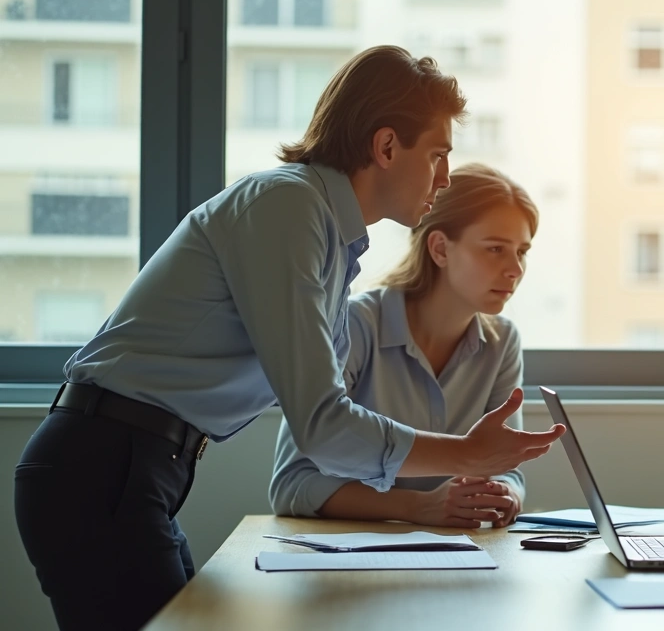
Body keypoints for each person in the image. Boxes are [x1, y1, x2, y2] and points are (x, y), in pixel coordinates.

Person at [13, 46, 564, 631]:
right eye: (436, 155)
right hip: (102, 465)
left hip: (140, 466)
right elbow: (324, 427)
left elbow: (324, 422)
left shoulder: (330, 238)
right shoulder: (288, 207)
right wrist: (464, 454)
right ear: (384, 147)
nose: (446, 178)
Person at [270, 163, 537, 528]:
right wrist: (419, 506)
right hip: (352, 562)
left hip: (458, 557)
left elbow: (508, 473)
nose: (516, 269)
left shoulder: (502, 341)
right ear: (440, 248)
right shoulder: (356, 325)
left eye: (522, 251)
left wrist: (506, 495)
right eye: (495, 249)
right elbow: (292, 486)